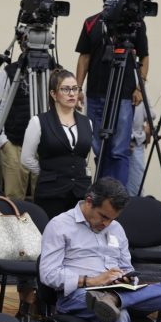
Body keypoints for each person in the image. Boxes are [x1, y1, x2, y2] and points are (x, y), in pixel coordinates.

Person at [39, 178, 161, 322]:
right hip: (79, 295)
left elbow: (127, 268)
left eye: (112, 219)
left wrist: (126, 279)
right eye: (103, 216)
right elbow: (48, 274)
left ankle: (113, 299)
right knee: (117, 316)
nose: (106, 224)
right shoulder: (59, 225)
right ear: (89, 201)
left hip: (118, 291)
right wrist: (92, 281)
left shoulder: (116, 228)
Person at [76, 0, 149, 186]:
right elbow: (84, 57)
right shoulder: (91, 22)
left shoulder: (136, 24)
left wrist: (139, 87)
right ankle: (101, 191)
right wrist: (78, 88)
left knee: (118, 149)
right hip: (95, 93)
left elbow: (144, 56)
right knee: (98, 147)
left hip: (124, 95)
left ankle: (118, 196)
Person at [21, 68, 93, 219]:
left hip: (80, 192)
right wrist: (47, 173)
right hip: (51, 193)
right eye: (66, 89)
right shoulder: (39, 122)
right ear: (54, 94)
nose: (72, 94)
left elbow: (83, 158)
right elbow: (26, 159)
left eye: (75, 88)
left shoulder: (87, 122)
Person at [0, 62, 32, 200]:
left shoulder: (52, 69)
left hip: (44, 144)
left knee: (47, 195)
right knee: (14, 198)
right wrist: (3, 142)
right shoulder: (10, 72)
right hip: (14, 142)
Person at [126, 100, 155, 197]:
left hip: (136, 143)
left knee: (135, 190)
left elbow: (152, 114)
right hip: (119, 142)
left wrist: (148, 126)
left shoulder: (140, 89)